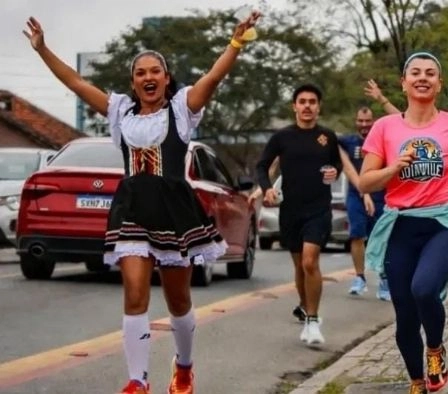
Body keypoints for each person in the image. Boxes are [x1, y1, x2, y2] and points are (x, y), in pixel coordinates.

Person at [24, 12, 261, 394]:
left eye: (155, 72)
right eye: (140, 73)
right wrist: (42, 49)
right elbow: (76, 82)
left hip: (173, 210)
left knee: (178, 300)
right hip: (132, 209)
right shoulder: (120, 112)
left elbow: (213, 78)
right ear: (133, 82)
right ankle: (138, 380)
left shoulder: (181, 109)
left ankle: (184, 368)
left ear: (166, 78)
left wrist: (235, 43)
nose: (148, 78)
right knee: (134, 292)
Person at [359, 52, 448, 394]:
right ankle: (417, 381)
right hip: (401, 224)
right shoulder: (384, 127)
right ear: (403, 83)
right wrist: (393, 169)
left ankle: (435, 349)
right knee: (405, 314)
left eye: (430, 73)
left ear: (439, 84)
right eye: (415, 73)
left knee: (424, 289)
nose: (422, 78)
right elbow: (365, 182)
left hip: (443, 221)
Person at [250, 83, 343, 347]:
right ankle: (305, 306)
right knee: (300, 266)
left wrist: (335, 172)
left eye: (312, 102)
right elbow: (262, 166)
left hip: (319, 208)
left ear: (319, 107)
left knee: (310, 262)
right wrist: (267, 189)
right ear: (294, 106)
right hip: (291, 210)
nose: (307, 106)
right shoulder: (282, 137)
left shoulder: (327, 136)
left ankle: (313, 320)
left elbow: (336, 163)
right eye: (302, 102)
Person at [338, 107, 391, 301]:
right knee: (357, 235)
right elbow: (327, 140)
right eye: (360, 121)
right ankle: (359, 277)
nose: (364, 125)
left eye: (367, 121)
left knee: (383, 238)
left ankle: (385, 279)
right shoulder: (348, 142)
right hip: (356, 195)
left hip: (381, 196)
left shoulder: (383, 140)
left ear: (374, 121)